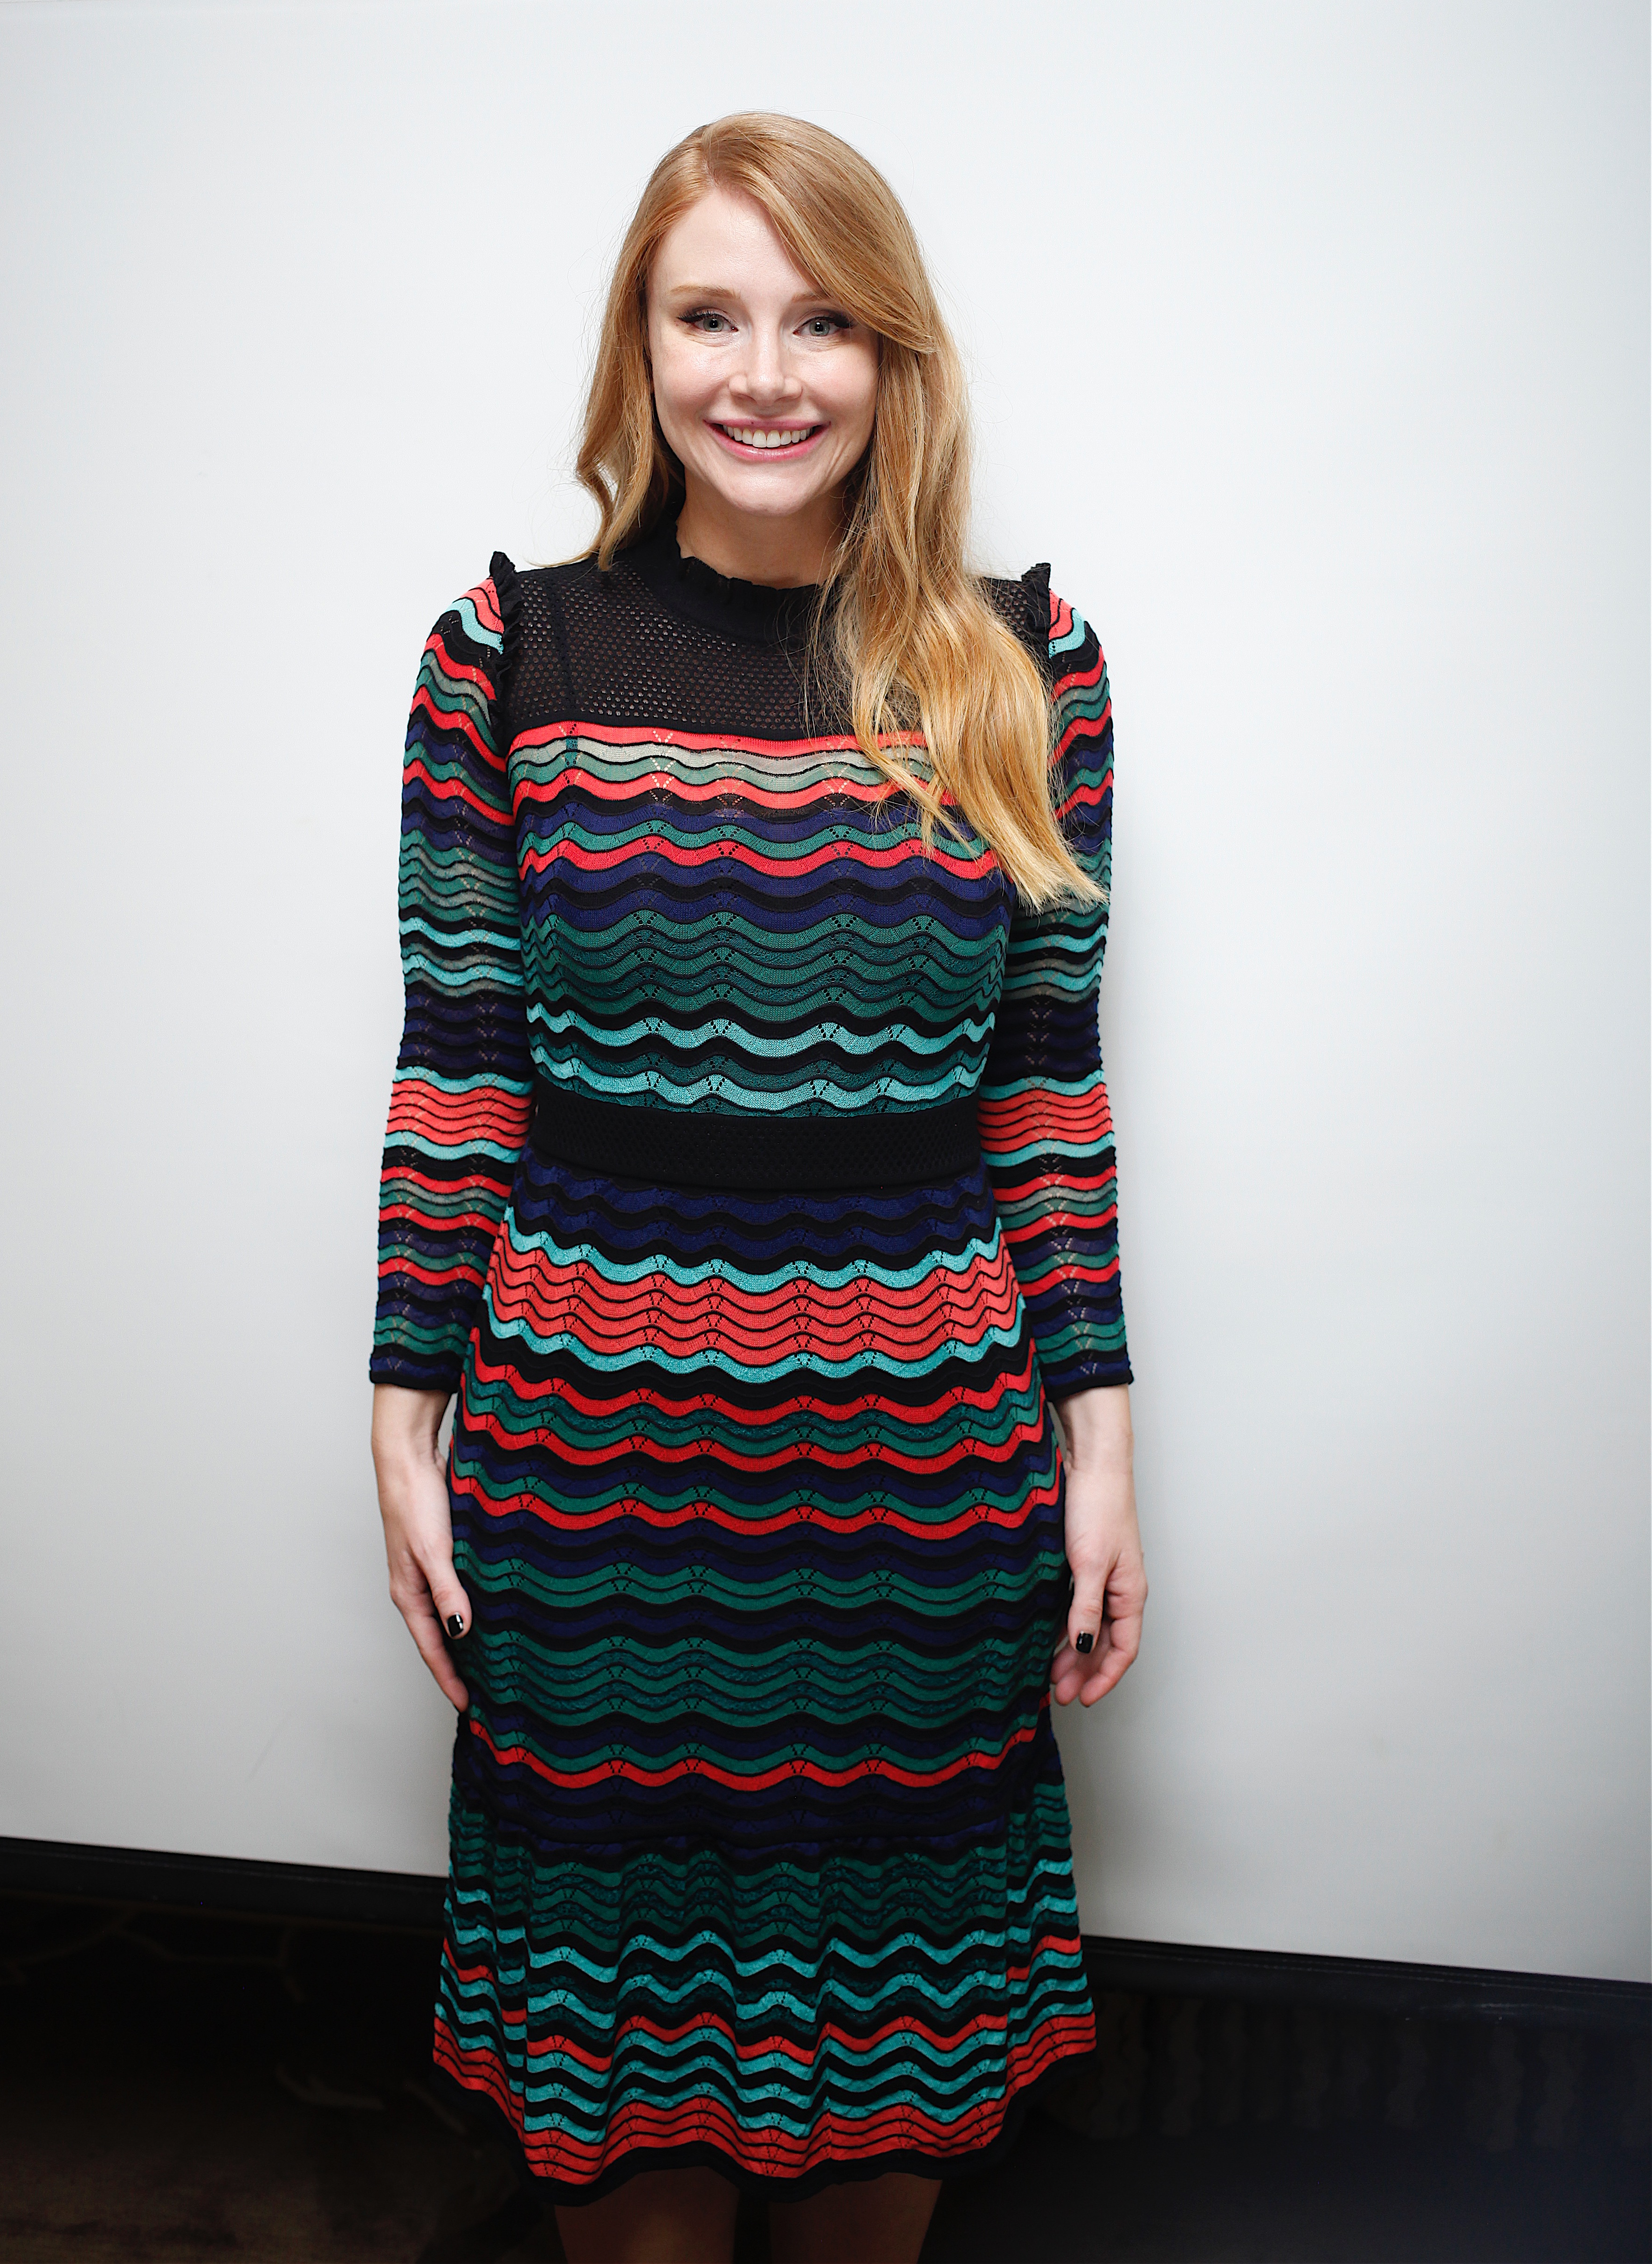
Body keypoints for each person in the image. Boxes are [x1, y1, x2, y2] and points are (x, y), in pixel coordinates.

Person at [369, 112, 1146, 2264]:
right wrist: (402, 1415)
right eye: (709, 314)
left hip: (923, 1487)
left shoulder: (1028, 663)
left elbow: (1045, 1084)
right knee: (625, 2144)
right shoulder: (505, 654)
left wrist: (1100, 1447)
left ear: (895, 357)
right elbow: (462, 1058)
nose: (766, 374)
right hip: (591, 1478)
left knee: (886, 2118)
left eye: (824, 322)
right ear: (641, 345)